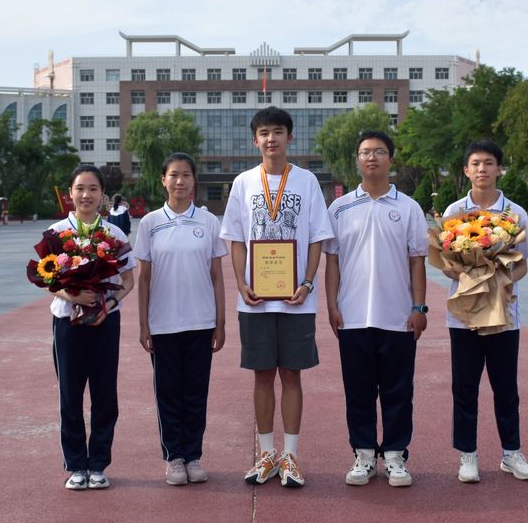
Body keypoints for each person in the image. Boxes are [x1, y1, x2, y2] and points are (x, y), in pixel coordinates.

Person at [220, 106, 333, 488]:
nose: (272, 139)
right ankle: (267, 454)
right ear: (255, 140)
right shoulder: (243, 183)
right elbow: (236, 239)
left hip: (296, 299)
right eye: (265, 133)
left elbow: (317, 238)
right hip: (255, 299)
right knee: (262, 375)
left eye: (278, 132)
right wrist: (241, 283)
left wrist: (308, 283)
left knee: (292, 375)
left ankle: (291, 456)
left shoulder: (306, 181)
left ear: (290, 137)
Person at [324, 130, 428, 487]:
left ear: (390, 159)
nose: (372, 158)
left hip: (398, 317)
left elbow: (417, 260)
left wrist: (419, 307)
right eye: (365, 152)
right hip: (353, 317)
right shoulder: (339, 208)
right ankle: (364, 455)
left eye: (379, 152)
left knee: (398, 391)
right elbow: (332, 262)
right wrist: (332, 305)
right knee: (358, 391)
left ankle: (396, 455)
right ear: (357, 159)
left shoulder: (408, 207)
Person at [442, 139, 528, 483]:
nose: (482, 169)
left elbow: (523, 263)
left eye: (489, 163)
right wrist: (466, 273)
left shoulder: (514, 214)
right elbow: (446, 264)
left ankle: (512, 453)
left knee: (506, 387)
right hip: (464, 315)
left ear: (499, 169)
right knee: (464, 388)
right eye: (476, 163)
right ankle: (467, 455)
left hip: (504, 315)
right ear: (466, 170)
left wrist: (499, 277)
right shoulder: (454, 212)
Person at [133, 153, 227, 486]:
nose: (180, 181)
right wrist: (143, 324)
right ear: (163, 180)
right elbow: (144, 277)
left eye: (186, 175)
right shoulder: (150, 223)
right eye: (174, 175)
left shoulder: (209, 222)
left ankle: (193, 455)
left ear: (194, 181)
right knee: (168, 392)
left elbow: (216, 276)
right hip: (163, 323)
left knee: (196, 392)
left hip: (201, 322)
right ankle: (174, 457)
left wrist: (221, 322)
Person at [48, 164, 135, 490]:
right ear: (70, 194)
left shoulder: (114, 235)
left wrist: (106, 306)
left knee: (104, 395)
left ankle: (98, 464)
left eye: (93, 189)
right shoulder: (56, 233)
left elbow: (128, 281)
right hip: (67, 324)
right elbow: (47, 279)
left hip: (105, 322)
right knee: (70, 395)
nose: (86, 195)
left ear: (103, 195)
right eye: (80, 189)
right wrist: (71, 294)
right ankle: (76, 466)